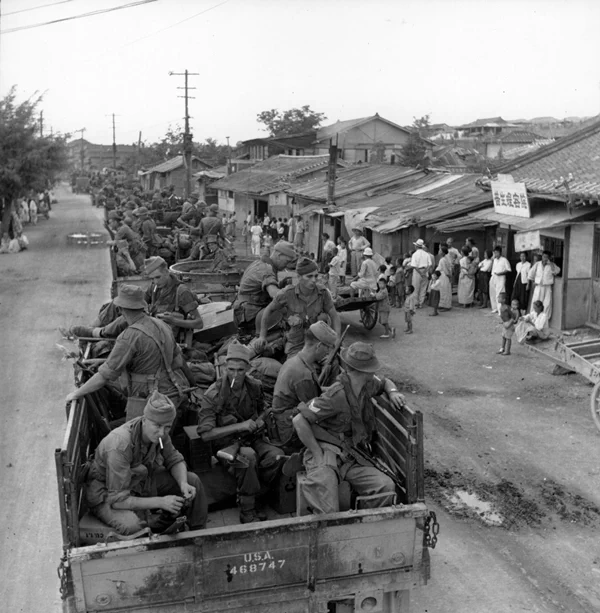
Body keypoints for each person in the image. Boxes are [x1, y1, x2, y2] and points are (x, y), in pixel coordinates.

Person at [292, 342, 406, 515]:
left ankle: (363, 528)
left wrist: (393, 391)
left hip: (351, 456)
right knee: (329, 510)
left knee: (385, 486)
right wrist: (317, 453)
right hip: (326, 452)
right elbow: (299, 420)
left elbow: (385, 383)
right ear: (366, 371)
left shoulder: (366, 387)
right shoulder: (336, 395)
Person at [84, 391, 207, 535]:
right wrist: (161, 502)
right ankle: (155, 529)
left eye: (167, 427)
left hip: (138, 481)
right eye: (157, 426)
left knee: (193, 480)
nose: (162, 432)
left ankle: (198, 534)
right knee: (133, 526)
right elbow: (117, 500)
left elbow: (173, 458)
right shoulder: (120, 445)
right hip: (107, 492)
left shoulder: (160, 435)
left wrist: (183, 483)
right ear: (144, 420)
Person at [65, 285, 191, 421]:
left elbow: (103, 377)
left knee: (132, 438)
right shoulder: (162, 325)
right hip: (173, 394)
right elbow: (177, 362)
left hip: (148, 402)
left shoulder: (129, 337)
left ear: (120, 309)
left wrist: (76, 393)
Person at [198, 342, 284, 523]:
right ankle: (247, 510)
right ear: (224, 368)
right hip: (225, 446)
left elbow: (264, 408)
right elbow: (206, 434)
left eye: (240, 370)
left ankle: (257, 494)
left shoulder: (255, 386)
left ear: (248, 369)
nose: (235, 375)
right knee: (248, 459)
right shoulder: (213, 395)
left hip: (252, 438)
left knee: (276, 456)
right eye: (230, 369)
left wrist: (261, 418)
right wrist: (240, 426)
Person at [271, 321, 338, 450]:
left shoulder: (295, 361)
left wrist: (331, 389)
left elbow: (314, 391)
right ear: (318, 346)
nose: (329, 352)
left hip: (285, 420)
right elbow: (313, 413)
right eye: (328, 347)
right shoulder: (303, 375)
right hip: (290, 430)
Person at [258, 257, 341, 359]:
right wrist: (262, 336)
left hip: (317, 341)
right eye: (309, 276)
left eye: (316, 276)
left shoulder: (322, 293)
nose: (314, 280)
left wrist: (337, 338)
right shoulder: (287, 294)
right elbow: (268, 310)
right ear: (299, 277)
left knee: (331, 364)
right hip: (295, 342)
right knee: (295, 367)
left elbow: (334, 315)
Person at [233, 240, 297, 335]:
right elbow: (275, 294)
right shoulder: (267, 270)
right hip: (249, 316)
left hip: (242, 311)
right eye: (287, 261)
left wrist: (283, 284)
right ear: (279, 255)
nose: (286, 266)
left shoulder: (259, 262)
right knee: (284, 308)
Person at [527, 250, 560, 320]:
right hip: (538, 286)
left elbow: (557, 271)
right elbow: (530, 273)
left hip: (547, 287)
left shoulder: (552, 265)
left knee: (546, 303)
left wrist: (550, 264)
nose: (545, 258)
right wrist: (533, 281)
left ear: (549, 258)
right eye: (544, 256)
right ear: (542, 256)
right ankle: (533, 319)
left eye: (547, 257)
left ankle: (544, 320)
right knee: (536, 301)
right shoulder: (537, 264)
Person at [489, 246, 511, 314]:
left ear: (500, 252)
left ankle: (500, 310)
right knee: (493, 293)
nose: (495, 254)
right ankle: (494, 308)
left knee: (499, 294)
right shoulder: (494, 260)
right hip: (494, 276)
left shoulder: (504, 260)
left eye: (497, 252)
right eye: (494, 252)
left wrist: (501, 273)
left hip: (501, 278)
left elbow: (509, 269)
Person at [409, 239, 430, 308]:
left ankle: (416, 303)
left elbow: (414, 266)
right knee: (423, 288)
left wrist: (420, 273)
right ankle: (421, 303)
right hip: (425, 271)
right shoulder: (427, 254)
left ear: (416, 246)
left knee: (415, 288)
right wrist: (424, 272)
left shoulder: (415, 254)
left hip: (417, 272)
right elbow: (429, 264)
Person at [435, 246, 453, 310]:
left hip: (444, 276)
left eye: (440, 250)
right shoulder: (445, 259)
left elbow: (445, 270)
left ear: (442, 252)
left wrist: (449, 276)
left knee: (444, 291)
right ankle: (442, 305)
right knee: (443, 291)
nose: (438, 251)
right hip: (443, 276)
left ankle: (446, 306)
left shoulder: (443, 260)